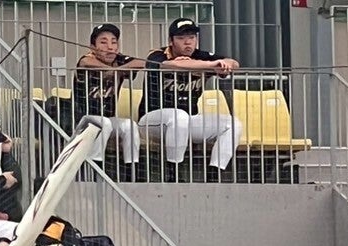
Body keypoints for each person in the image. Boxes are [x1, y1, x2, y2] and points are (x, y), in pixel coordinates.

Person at [140, 18, 243, 181]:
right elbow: (171, 65)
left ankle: (214, 174)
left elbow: (233, 63)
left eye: (192, 37)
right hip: (151, 122)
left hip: (186, 121)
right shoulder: (157, 54)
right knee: (179, 116)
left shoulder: (201, 56)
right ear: (171, 41)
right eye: (181, 38)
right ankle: (174, 173)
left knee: (232, 124)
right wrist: (211, 65)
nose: (188, 42)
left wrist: (219, 63)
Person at [74, 23, 144, 176]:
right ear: (93, 47)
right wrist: (115, 70)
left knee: (130, 125)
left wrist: (117, 69)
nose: (110, 47)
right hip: (82, 119)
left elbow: (141, 62)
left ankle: (132, 173)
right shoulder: (86, 60)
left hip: (106, 118)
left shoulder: (119, 60)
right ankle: (95, 170)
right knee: (104, 123)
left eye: (114, 42)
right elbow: (86, 63)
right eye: (103, 42)